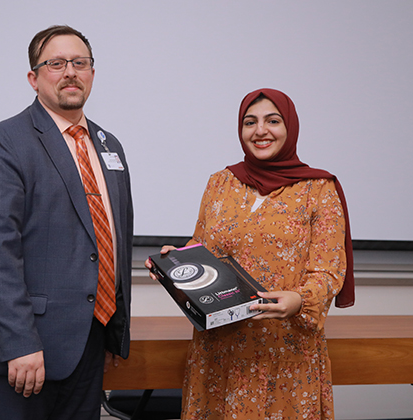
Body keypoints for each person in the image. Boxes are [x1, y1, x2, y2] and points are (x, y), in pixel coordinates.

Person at [0, 25, 133, 419]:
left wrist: (111, 331)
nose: (70, 71)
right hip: (22, 352)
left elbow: (112, 238)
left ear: (91, 73)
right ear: (34, 78)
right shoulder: (4, 141)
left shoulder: (108, 145)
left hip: (87, 344)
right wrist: (19, 342)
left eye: (80, 62)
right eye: (56, 63)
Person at [146, 88, 354, 419]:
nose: (260, 131)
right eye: (249, 122)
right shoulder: (220, 183)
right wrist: (177, 261)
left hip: (285, 350)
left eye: (272, 121)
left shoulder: (319, 190)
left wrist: (299, 300)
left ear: (290, 127)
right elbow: (205, 250)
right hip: (219, 349)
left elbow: (329, 272)